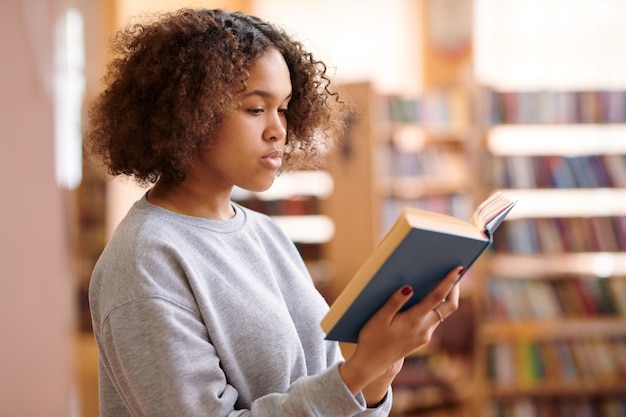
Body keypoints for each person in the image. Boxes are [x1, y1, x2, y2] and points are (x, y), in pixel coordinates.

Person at [85, 8, 462, 417]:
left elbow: (329, 389)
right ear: (188, 113)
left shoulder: (266, 233)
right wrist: (361, 369)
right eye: (254, 109)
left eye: (282, 108)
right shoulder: (145, 260)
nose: (278, 130)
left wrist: (381, 369)